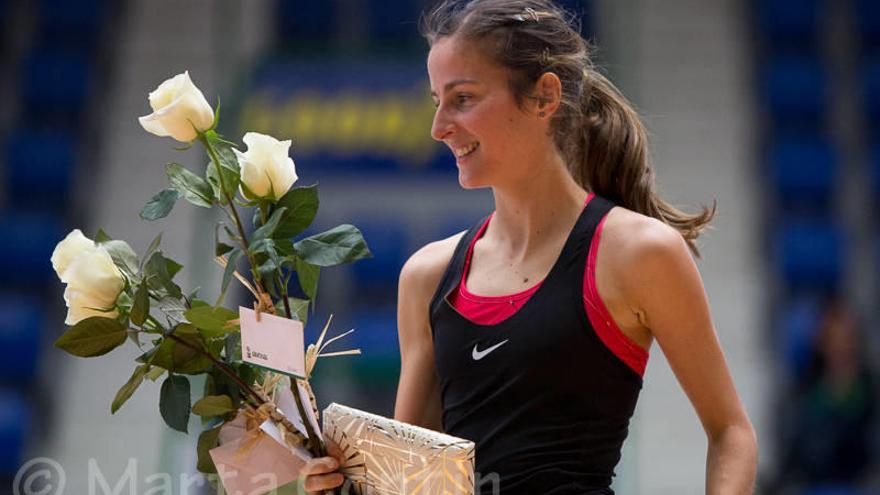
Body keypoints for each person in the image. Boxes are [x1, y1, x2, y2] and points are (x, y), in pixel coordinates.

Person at [303, 0, 758, 493]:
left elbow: (732, 433)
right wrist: (338, 480)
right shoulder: (427, 276)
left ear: (544, 97)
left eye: (462, 98)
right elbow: (410, 481)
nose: (439, 127)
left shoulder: (639, 252)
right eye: (437, 101)